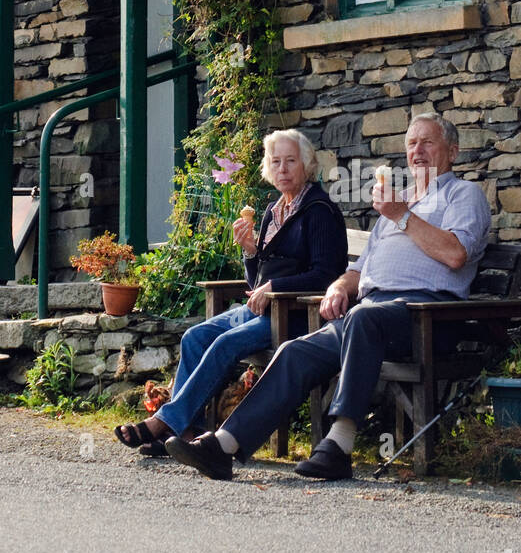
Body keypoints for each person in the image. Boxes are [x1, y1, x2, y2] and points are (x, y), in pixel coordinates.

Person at [165, 112, 492, 481]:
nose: (417, 150)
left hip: (425, 314)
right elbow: (360, 270)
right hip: (370, 312)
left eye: (427, 142)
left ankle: (339, 445)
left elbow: (455, 254)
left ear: (452, 150)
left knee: (363, 318)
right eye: (411, 143)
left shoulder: (462, 195)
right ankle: (223, 446)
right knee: (294, 351)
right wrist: (339, 286)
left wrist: (401, 215)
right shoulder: (396, 206)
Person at [113, 128, 347, 457]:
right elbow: (257, 279)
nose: (282, 168)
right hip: (260, 308)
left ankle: (163, 424)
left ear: (307, 165)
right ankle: (187, 430)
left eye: (290, 161)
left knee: (226, 343)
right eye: (275, 161)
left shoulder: (319, 211)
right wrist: (251, 252)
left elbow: (326, 275)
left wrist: (274, 287)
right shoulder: (272, 211)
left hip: (296, 315)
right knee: (194, 336)